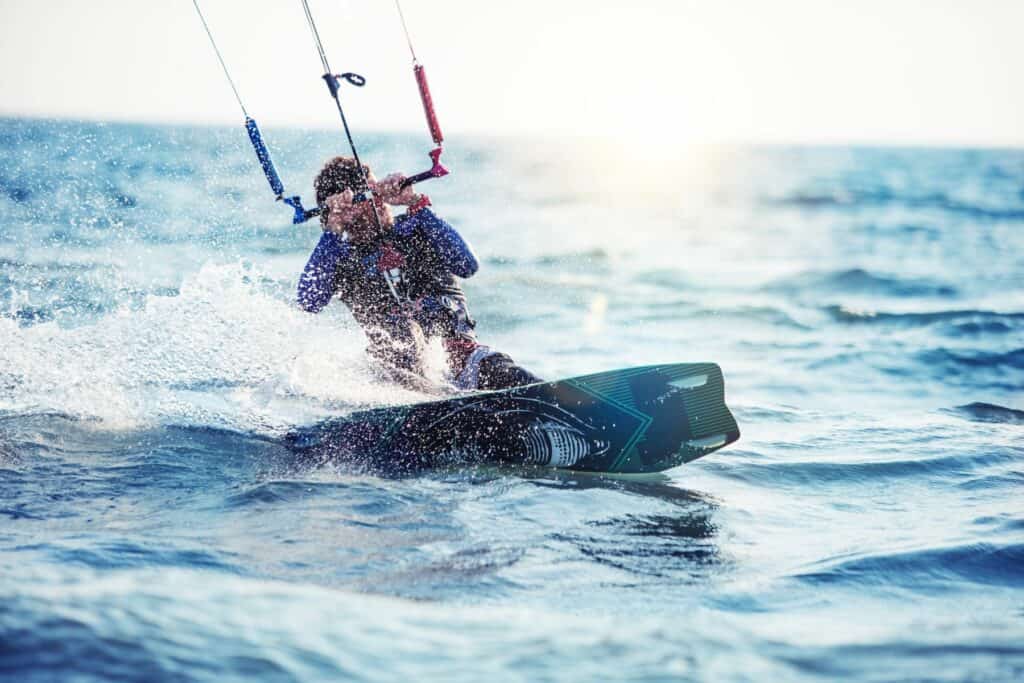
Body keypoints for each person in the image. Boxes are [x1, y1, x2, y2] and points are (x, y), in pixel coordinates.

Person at [297, 156, 541, 393]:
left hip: (462, 361)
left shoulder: (416, 226)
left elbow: (467, 265)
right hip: (401, 382)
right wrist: (333, 230)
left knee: (508, 374)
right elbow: (308, 301)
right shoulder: (341, 258)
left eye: (377, 190)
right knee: (386, 363)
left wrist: (414, 202)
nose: (379, 200)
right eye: (368, 196)